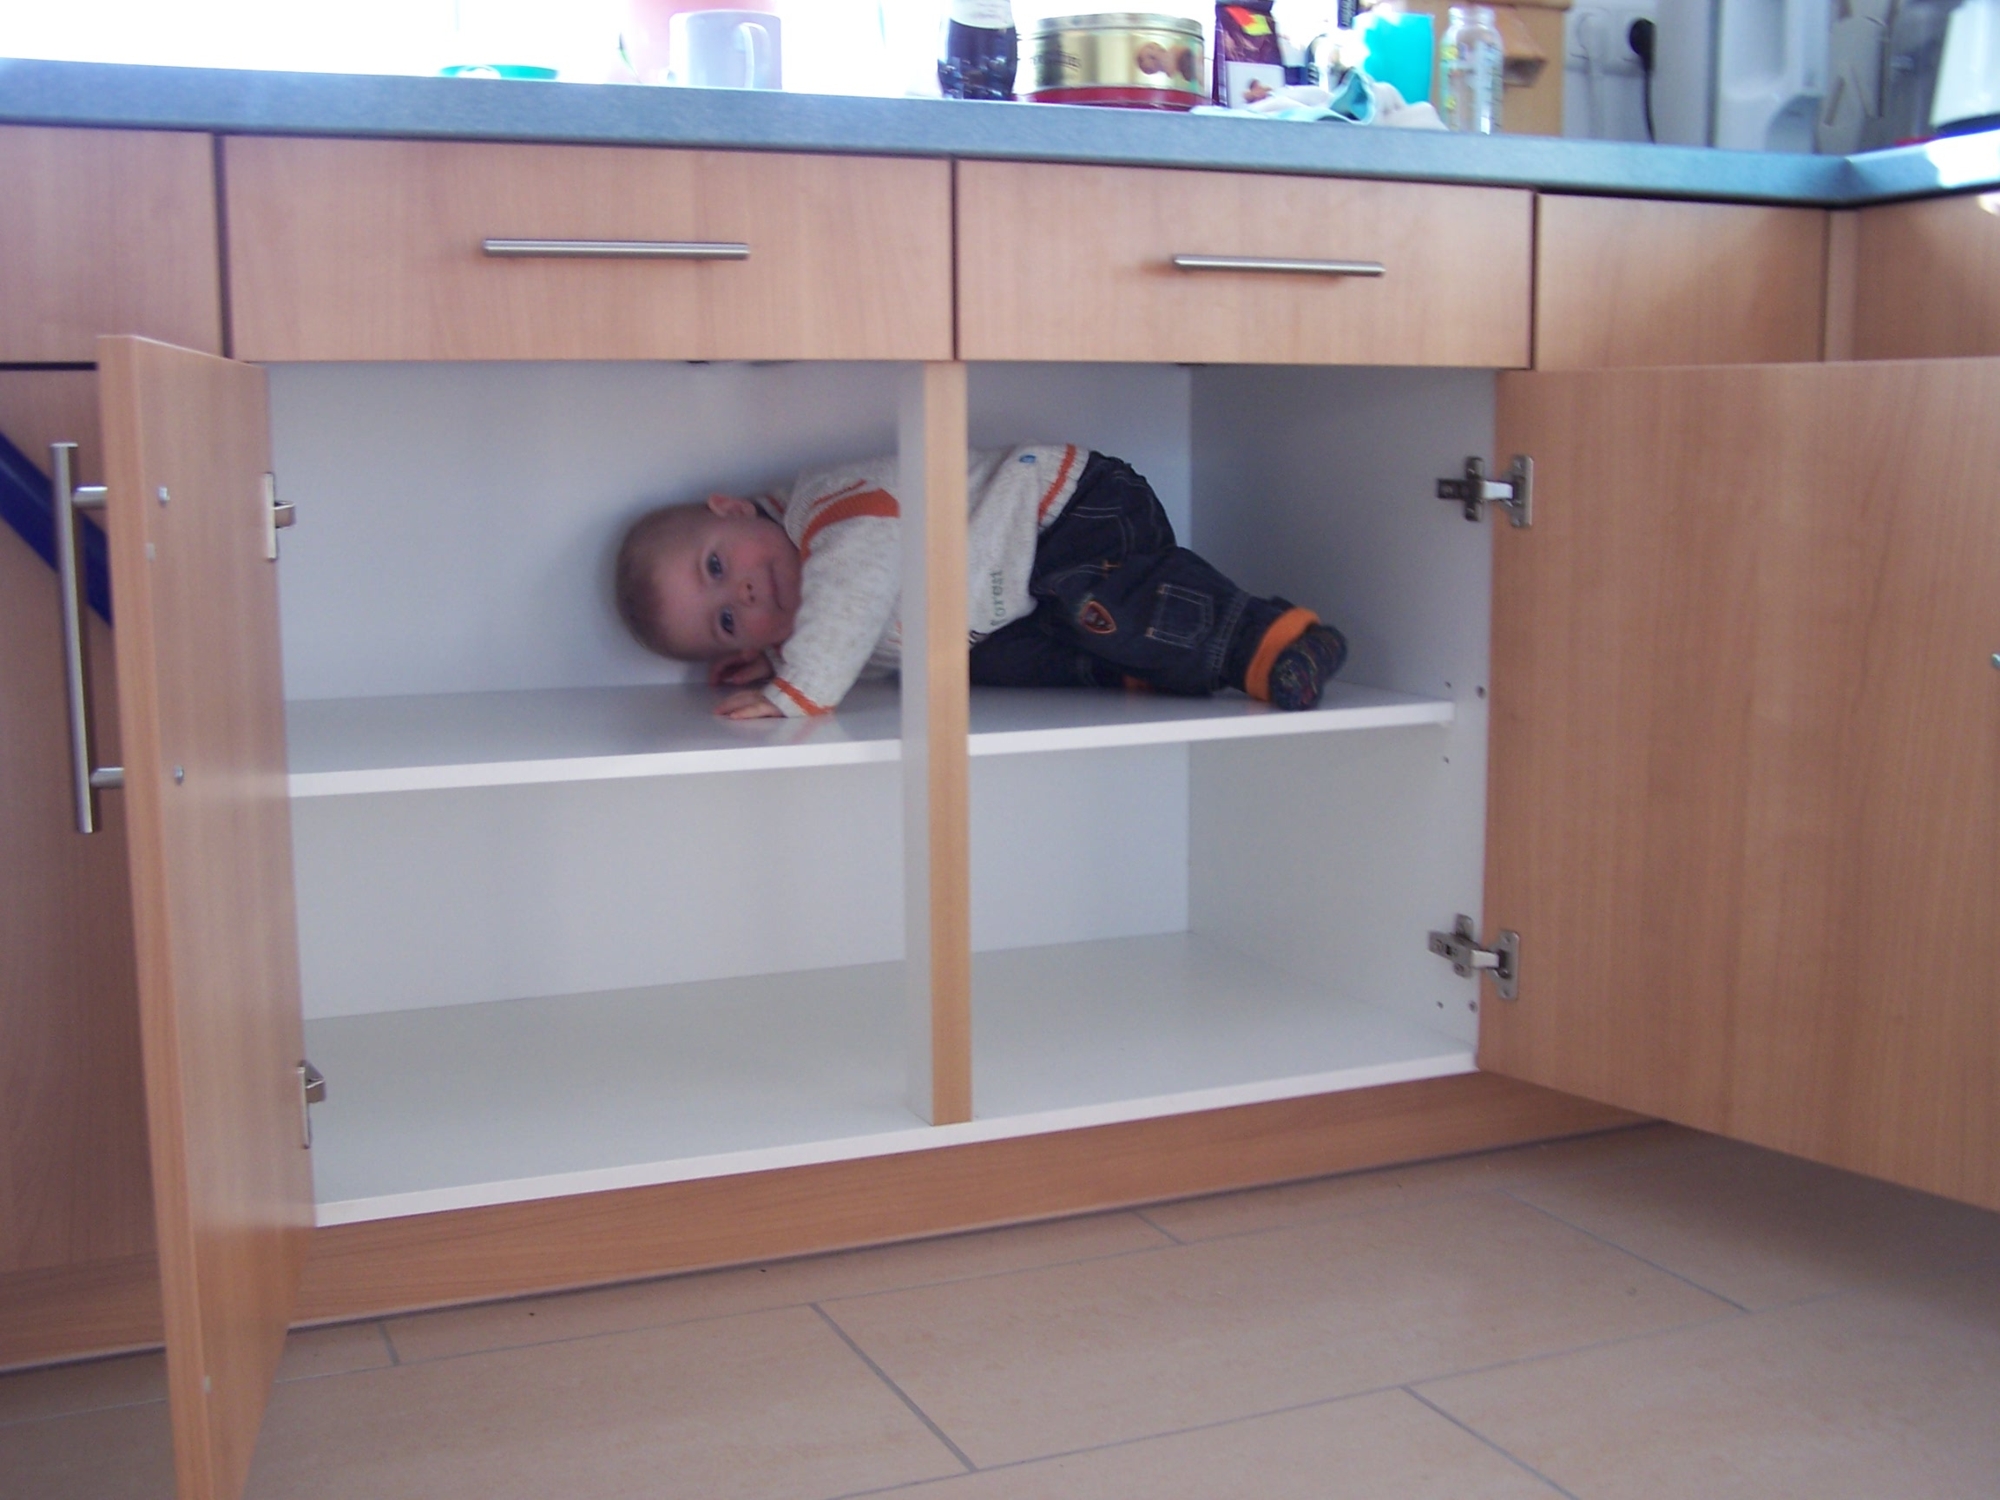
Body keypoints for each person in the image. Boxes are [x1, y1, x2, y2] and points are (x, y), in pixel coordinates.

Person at [614, 445, 1346, 720]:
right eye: (726, 621)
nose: (742, 594)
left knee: (1105, 601)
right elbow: (846, 632)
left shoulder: (826, 507)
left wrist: (797, 686)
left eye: (717, 567)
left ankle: (1271, 642)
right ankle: (1141, 669)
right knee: (980, 668)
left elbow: (855, 583)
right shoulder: (816, 630)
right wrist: (773, 663)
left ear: (732, 509)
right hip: (1022, 608)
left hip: (1066, 515)